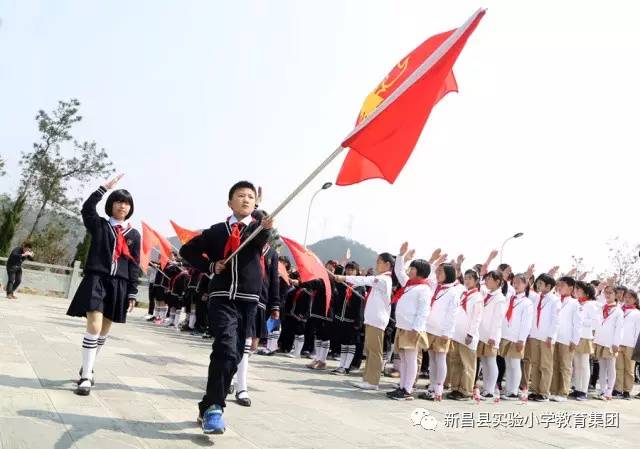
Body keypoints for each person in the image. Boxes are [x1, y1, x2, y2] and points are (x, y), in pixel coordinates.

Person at [179, 180, 274, 434]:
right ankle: (215, 410)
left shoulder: (256, 230)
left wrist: (263, 219)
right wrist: (210, 266)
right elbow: (187, 251)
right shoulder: (216, 231)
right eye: (241, 195)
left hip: (247, 301)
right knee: (224, 348)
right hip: (221, 297)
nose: (245, 199)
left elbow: (264, 238)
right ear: (230, 201)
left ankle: (207, 404)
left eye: (250, 197)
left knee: (235, 355)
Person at [66, 174, 140, 396]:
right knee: (95, 326)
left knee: (104, 331)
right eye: (118, 201)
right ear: (111, 204)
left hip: (120, 285)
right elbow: (87, 208)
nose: (122, 206)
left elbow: (134, 264)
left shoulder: (134, 234)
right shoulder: (99, 225)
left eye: (126, 203)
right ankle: (86, 376)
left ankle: (88, 365)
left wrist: (132, 292)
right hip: (97, 279)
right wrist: (103, 188)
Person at [333, 253, 395, 391]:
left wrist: (344, 277)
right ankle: (367, 379)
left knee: (375, 352)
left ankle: (373, 381)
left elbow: (364, 280)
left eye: (379, 262)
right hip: (373, 320)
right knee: (371, 351)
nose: (376, 264)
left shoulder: (384, 280)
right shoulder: (382, 279)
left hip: (377, 321)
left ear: (387, 265)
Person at [386, 242, 432, 401]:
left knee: (410, 359)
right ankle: (402, 386)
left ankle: (407, 389)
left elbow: (424, 311)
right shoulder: (410, 284)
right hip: (403, 326)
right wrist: (400, 255)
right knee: (404, 359)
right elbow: (398, 271)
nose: (409, 270)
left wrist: (416, 329)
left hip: (412, 329)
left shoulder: (424, 288)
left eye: (412, 268)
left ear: (419, 272)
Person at [420, 263, 459, 401]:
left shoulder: (453, 292)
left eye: (441, 272)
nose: (437, 274)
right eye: (437, 272)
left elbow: (452, 314)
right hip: (430, 329)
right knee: (432, 360)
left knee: (440, 359)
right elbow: (429, 275)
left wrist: (447, 333)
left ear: (448, 274)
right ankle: (431, 386)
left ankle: (438, 390)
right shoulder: (436, 287)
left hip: (442, 331)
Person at [448, 269, 483, 401]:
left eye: (470, 278)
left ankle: (466, 390)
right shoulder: (463, 294)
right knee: (456, 362)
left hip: (467, 336)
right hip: (457, 334)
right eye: (466, 278)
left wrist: (471, 334)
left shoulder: (477, 297)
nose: (467, 280)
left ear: (476, 281)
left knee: (467, 364)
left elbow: (476, 318)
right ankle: (455, 388)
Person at [499, 273, 533, 400]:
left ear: (525, 284)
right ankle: (509, 389)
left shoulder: (527, 303)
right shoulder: (510, 298)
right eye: (515, 282)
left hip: (516, 338)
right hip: (506, 335)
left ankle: (513, 391)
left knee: (515, 364)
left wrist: (521, 340)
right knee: (508, 363)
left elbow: (526, 323)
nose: (516, 285)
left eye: (519, 282)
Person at [527, 273, 560, 402]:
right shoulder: (536, 298)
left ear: (549, 286)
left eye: (541, 283)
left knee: (545, 365)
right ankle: (534, 389)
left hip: (546, 336)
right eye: (538, 283)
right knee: (535, 363)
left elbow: (555, 320)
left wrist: (551, 336)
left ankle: (544, 392)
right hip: (535, 334)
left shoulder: (554, 300)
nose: (538, 285)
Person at [549, 276, 582, 402]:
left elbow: (577, 324)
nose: (560, 287)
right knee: (555, 365)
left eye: (563, 285)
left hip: (567, 339)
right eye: (559, 285)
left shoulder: (575, 303)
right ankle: (554, 390)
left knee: (565, 366)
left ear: (570, 287)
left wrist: (575, 340)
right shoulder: (556, 300)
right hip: (555, 337)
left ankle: (563, 392)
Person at [331, 261, 365, 375]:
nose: (349, 272)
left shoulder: (360, 287)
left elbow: (361, 306)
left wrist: (359, 322)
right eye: (348, 269)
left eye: (352, 270)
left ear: (357, 272)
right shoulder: (342, 284)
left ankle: (346, 367)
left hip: (352, 321)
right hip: (341, 319)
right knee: (343, 343)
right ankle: (341, 365)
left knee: (351, 344)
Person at [476, 271, 507, 400]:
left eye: (489, 279)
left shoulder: (500, 298)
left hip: (491, 335)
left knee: (491, 361)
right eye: (487, 278)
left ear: (498, 281)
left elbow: (498, 319)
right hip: (483, 333)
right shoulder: (488, 294)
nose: (487, 281)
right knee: (484, 361)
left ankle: (490, 389)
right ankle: (486, 387)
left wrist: (493, 336)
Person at [570, 281, 599, 401]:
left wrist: (581, 321)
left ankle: (583, 391)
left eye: (578, 289)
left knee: (584, 364)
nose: (575, 291)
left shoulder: (591, 304)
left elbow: (596, 322)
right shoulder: (576, 303)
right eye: (575, 289)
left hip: (585, 337)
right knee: (576, 364)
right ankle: (577, 388)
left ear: (586, 292)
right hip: (575, 336)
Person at [593, 285, 623, 400]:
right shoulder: (602, 307)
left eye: (610, 293)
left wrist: (616, 343)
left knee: (611, 367)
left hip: (610, 342)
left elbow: (619, 328)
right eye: (606, 293)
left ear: (615, 295)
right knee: (602, 366)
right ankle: (602, 390)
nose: (608, 295)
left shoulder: (618, 311)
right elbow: (597, 299)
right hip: (600, 340)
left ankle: (609, 391)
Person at [614, 289, 640, 399]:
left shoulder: (637, 313)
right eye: (626, 297)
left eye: (630, 297)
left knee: (629, 369)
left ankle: (627, 390)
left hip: (631, 345)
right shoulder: (620, 310)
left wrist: (635, 346)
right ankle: (618, 389)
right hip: (619, 343)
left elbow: (638, 330)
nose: (627, 299)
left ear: (635, 300)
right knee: (618, 367)